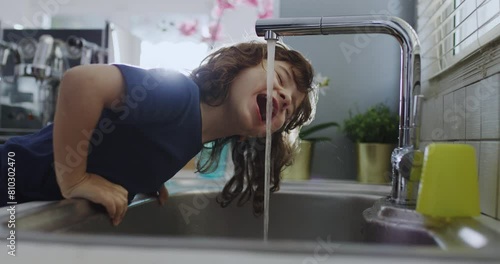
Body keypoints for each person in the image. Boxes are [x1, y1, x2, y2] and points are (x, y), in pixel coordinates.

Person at [0, 41, 316, 226]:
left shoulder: (194, 134)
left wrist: (144, 178)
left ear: (257, 138)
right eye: (281, 76)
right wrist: (75, 178)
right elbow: (81, 82)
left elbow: (134, 139)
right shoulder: (178, 94)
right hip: (12, 175)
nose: (285, 98)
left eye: (288, 113)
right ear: (241, 65)